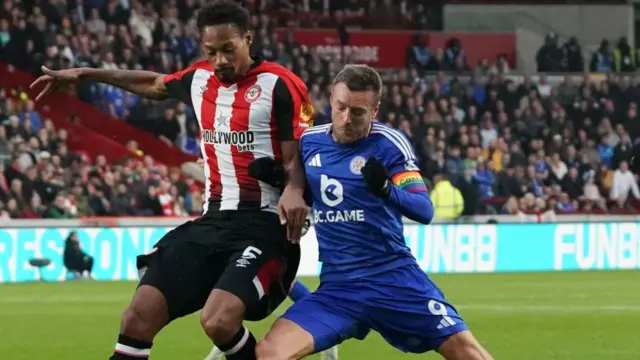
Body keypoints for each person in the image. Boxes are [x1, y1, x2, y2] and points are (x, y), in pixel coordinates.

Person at [31, 1, 310, 359]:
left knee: (219, 321)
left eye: (229, 49)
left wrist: (295, 189)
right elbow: (152, 83)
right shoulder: (198, 80)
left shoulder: (280, 84)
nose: (221, 60)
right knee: (137, 316)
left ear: (248, 39)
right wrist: (85, 73)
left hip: (266, 225)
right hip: (213, 222)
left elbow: (299, 155)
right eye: (211, 52)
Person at [253, 65, 494, 360]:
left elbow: (424, 209)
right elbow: (308, 194)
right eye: (341, 107)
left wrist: (386, 189)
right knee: (267, 354)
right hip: (338, 290)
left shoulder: (388, 144)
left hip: (392, 279)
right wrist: (279, 179)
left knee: (467, 353)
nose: (346, 119)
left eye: (358, 112)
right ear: (331, 98)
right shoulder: (310, 142)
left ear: (375, 111)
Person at [202, 157, 338, 360]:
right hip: (245, 221)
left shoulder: (284, 150)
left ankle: (321, 325)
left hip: (267, 223)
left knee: (241, 290)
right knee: (237, 291)